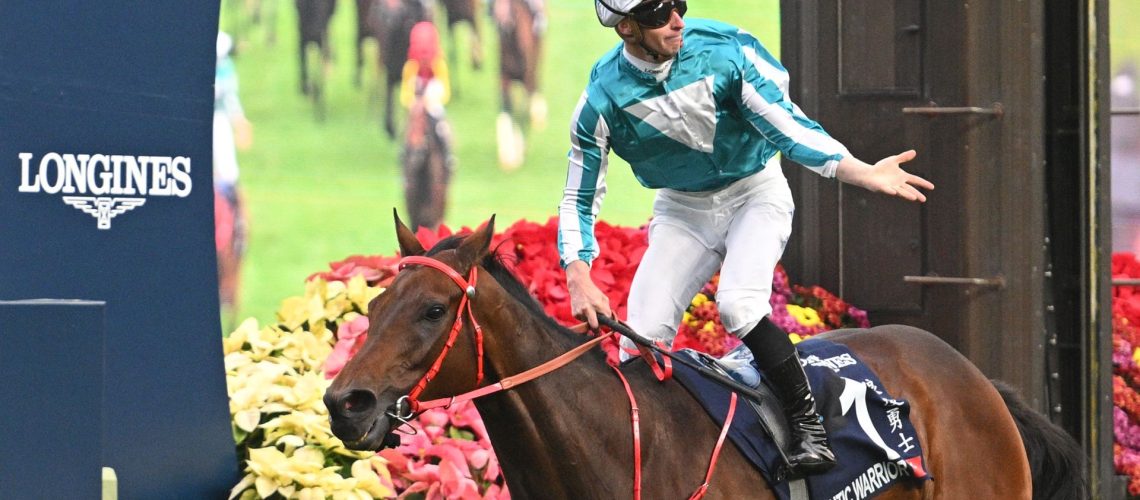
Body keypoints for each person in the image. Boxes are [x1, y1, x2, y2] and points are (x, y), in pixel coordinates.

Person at [556, 0, 934, 476]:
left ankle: (808, 423)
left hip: (755, 192)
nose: (678, 20)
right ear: (626, 28)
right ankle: (657, 457)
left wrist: (862, 171)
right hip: (682, 210)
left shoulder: (723, 52)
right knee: (642, 339)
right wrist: (577, 272)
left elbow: (790, 129)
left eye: (679, 4)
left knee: (738, 305)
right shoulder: (600, 99)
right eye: (660, 13)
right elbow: (578, 197)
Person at [214, 31, 253, 328]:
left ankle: (237, 235)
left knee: (230, 181)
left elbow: (232, 103)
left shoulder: (225, 72)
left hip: (219, 131)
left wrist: (240, 124)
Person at [400, 20, 456, 169]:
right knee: (407, 132)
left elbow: (445, 91)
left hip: (433, 106)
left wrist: (431, 101)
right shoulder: (410, 68)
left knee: (442, 128)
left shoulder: (439, 66)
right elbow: (405, 92)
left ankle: (448, 155)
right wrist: (412, 103)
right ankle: (404, 160)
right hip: (416, 107)